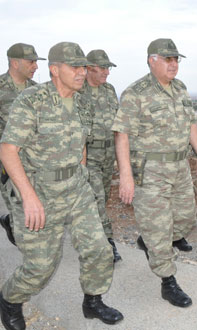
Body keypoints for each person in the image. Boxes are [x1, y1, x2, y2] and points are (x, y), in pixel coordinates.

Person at [0, 42, 123, 330]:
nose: (82, 72)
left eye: (83, 67)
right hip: (38, 192)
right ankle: (9, 298)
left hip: (76, 190)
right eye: (75, 67)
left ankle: (93, 301)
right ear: (55, 70)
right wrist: (28, 197)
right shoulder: (32, 100)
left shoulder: (81, 101)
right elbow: (7, 151)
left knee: (99, 249)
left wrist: (80, 173)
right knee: (41, 267)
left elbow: (80, 142)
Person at [112, 38, 197, 308]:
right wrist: (126, 176)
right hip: (150, 171)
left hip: (179, 167)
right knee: (158, 227)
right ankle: (168, 281)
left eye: (176, 59)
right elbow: (122, 135)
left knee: (186, 218)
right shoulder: (136, 93)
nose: (174, 64)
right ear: (151, 60)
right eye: (168, 59)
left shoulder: (180, 88)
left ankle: (150, 240)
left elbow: (191, 123)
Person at [0, 43, 45, 247]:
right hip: (7, 160)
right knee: (17, 202)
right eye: (31, 61)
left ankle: (16, 225)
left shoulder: (36, 90)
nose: (35, 66)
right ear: (15, 63)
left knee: (29, 204)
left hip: (33, 160)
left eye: (36, 61)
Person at [80, 49, 121, 263]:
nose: (107, 72)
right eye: (103, 68)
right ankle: (108, 242)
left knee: (102, 199)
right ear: (88, 68)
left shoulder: (110, 90)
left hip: (109, 154)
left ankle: (91, 235)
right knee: (97, 197)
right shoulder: (77, 91)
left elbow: (118, 123)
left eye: (108, 68)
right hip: (88, 154)